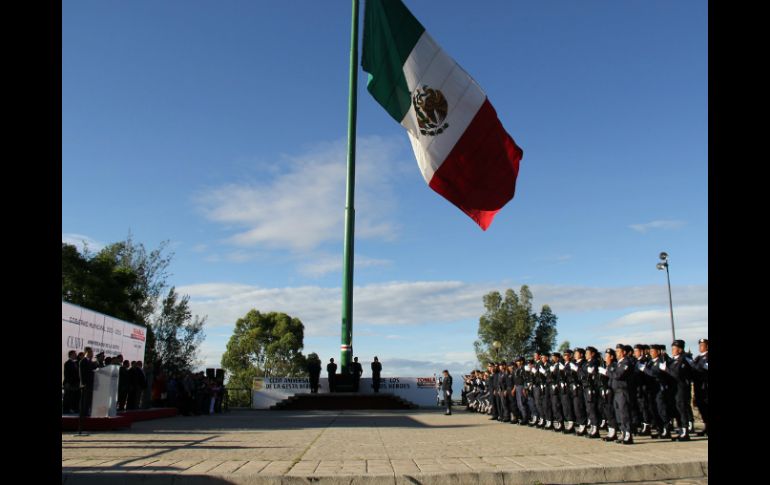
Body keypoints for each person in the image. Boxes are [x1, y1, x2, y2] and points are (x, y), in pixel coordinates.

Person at [693, 338, 708, 436]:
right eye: (699, 345)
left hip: (706, 386)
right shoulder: (697, 358)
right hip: (698, 386)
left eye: (702, 345)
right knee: (701, 407)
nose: (700, 347)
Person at [78, 347, 96, 417]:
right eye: (90, 352)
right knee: (84, 400)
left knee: (89, 399)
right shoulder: (83, 361)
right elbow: (81, 373)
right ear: (86, 353)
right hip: (85, 384)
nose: (91, 354)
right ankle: (83, 413)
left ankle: (87, 412)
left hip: (91, 383)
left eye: (92, 352)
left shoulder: (91, 362)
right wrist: (83, 383)